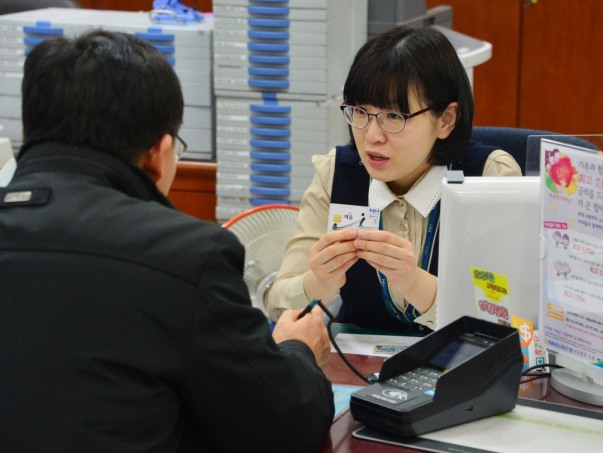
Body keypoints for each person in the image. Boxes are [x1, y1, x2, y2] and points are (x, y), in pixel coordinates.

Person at [0, 30, 333, 452]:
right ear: (158, 155)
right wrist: (299, 350)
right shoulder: (184, 256)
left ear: (27, 129)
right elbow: (286, 427)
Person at [266, 26, 521, 333]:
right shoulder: (335, 173)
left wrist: (414, 283)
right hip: (357, 361)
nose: (372, 136)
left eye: (393, 116)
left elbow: (508, 315)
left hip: (461, 359)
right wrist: (318, 281)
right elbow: (277, 304)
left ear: (445, 120)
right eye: (360, 112)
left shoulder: (490, 177)